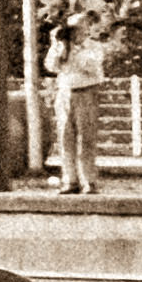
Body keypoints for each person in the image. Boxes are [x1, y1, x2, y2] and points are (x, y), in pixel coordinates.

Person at [48, 14, 110, 193]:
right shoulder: (62, 46)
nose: (75, 32)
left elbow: (91, 66)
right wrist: (58, 46)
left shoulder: (94, 47)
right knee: (65, 138)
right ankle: (70, 180)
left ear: (86, 28)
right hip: (65, 93)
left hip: (86, 92)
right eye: (72, 29)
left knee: (86, 139)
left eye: (78, 28)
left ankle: (88, 181)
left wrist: (74, 51)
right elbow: (51, 66)